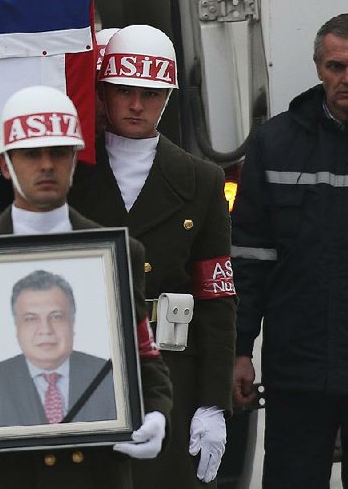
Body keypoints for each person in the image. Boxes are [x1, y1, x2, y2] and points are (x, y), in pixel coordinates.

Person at [0, 85, 173, 489]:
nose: (47, 165)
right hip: (3, 477)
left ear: (75, 159)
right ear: (4, 164)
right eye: (32, 154)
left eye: (59, 152)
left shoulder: (119, 254)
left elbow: (144, 358)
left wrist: (157, 414)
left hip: (94, 475)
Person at [69, 24, 236, 487]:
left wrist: (211, 401)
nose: (138, 104)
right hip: (81, 371)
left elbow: (216, 296)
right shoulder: (66, 172)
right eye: (124, 90)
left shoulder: (201, 180)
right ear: (102, 90)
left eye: (151, 92)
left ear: (168, 96)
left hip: (169, 374)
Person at [231, 13, 348, 488]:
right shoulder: (273, 144)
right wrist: (238, 350)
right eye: (337, 66)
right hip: (297, 371)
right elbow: (249, 258)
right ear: (318, 67)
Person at [0, 269, 116, 427]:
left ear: (72, 321)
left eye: (56, 317)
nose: (45, 329)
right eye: (30, 319)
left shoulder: (109, 376)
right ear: (16, 327)